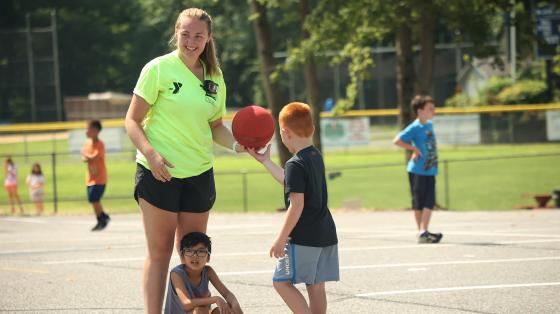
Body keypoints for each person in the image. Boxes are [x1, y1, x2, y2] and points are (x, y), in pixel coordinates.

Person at [125, 8, 244, 313]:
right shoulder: (158, 69)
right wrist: (152, 156)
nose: (191, 41)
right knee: (161, 251)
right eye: (186, 34)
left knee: (194, 254)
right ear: (176, 33)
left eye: (198, 35)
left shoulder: (215, 78)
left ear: (208, 39)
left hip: (199, 174)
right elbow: (132, 121)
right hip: (158, 173)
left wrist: (237, 145)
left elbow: (216, 126)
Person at [247, 102, 339, 314]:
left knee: (281, 282)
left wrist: (281, 238)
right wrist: (266, 162)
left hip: (304, 236)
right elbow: (291, 182)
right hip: (325, 233)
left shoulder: (295, 163)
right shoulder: (315, 155)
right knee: (315, 286)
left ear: (284, 132)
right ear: (312, 129)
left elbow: (296, 205)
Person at [393, 94, 443, 244]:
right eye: (430, 109)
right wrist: (413, 148)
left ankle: (423, 231)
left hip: (430, 169)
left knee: (430, 200)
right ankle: (422, 232)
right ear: (420, 111)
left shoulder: (429, 125)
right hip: (417, 170)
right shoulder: (415, 127)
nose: (433, 111)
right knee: (419, 202)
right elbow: (397, 140)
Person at [165, 232, 242, 314]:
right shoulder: (176, 274)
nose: (195, 256)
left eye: (201, 251)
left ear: (208, 257)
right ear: (182, 256)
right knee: (199, 311)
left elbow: (227, 294)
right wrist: (215, 299)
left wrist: (235, 305)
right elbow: (186, 303)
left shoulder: (208, 271)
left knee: (228, 309)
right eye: (189, 251)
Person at [81, 120, 110, 231]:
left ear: (96, 131)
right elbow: (84, 157)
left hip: (100, 178)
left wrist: (85, 155)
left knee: (94, 198)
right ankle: (102, 217)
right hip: (90, 177)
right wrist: (85, 156)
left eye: (88, 129)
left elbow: (93, 157)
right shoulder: (88, 143)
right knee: (92, 199)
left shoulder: (100, 144)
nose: (86, 131)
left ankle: (102, 218)